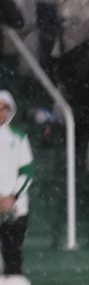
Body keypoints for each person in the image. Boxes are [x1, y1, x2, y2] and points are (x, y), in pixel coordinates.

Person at [0, 91, 33, 274]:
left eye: (4, 108)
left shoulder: (19, 138)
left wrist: (11, 197)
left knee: (13, 257)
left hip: (16, 210)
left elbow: (27, 172)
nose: (1, 112)